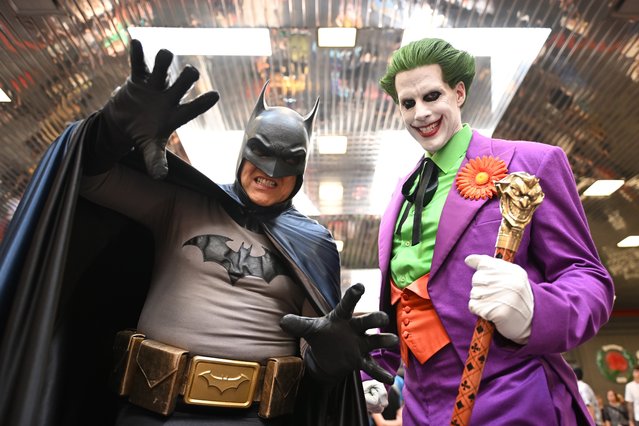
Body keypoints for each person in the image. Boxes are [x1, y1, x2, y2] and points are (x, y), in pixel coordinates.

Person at [0, 40, 397, 425]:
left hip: (253, 417)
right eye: (262, 152)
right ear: (243, 150)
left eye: (288, 160)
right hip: (151, 407)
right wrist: (113, 129)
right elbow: (88, 179)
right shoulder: (184, 202)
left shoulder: (313, 243)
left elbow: (313, 348)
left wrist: (327, 360)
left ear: (303, 169)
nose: (271, 171)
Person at [362, 37, 615, 425]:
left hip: (514, 399)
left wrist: (535, 309)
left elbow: (590, 281)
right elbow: (396, 308)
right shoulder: (399, 194)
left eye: (432, 96)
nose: (421, 113)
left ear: (459, 92)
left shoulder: (532, 163)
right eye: (408, 103)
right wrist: (370, 374)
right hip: (419, 409)